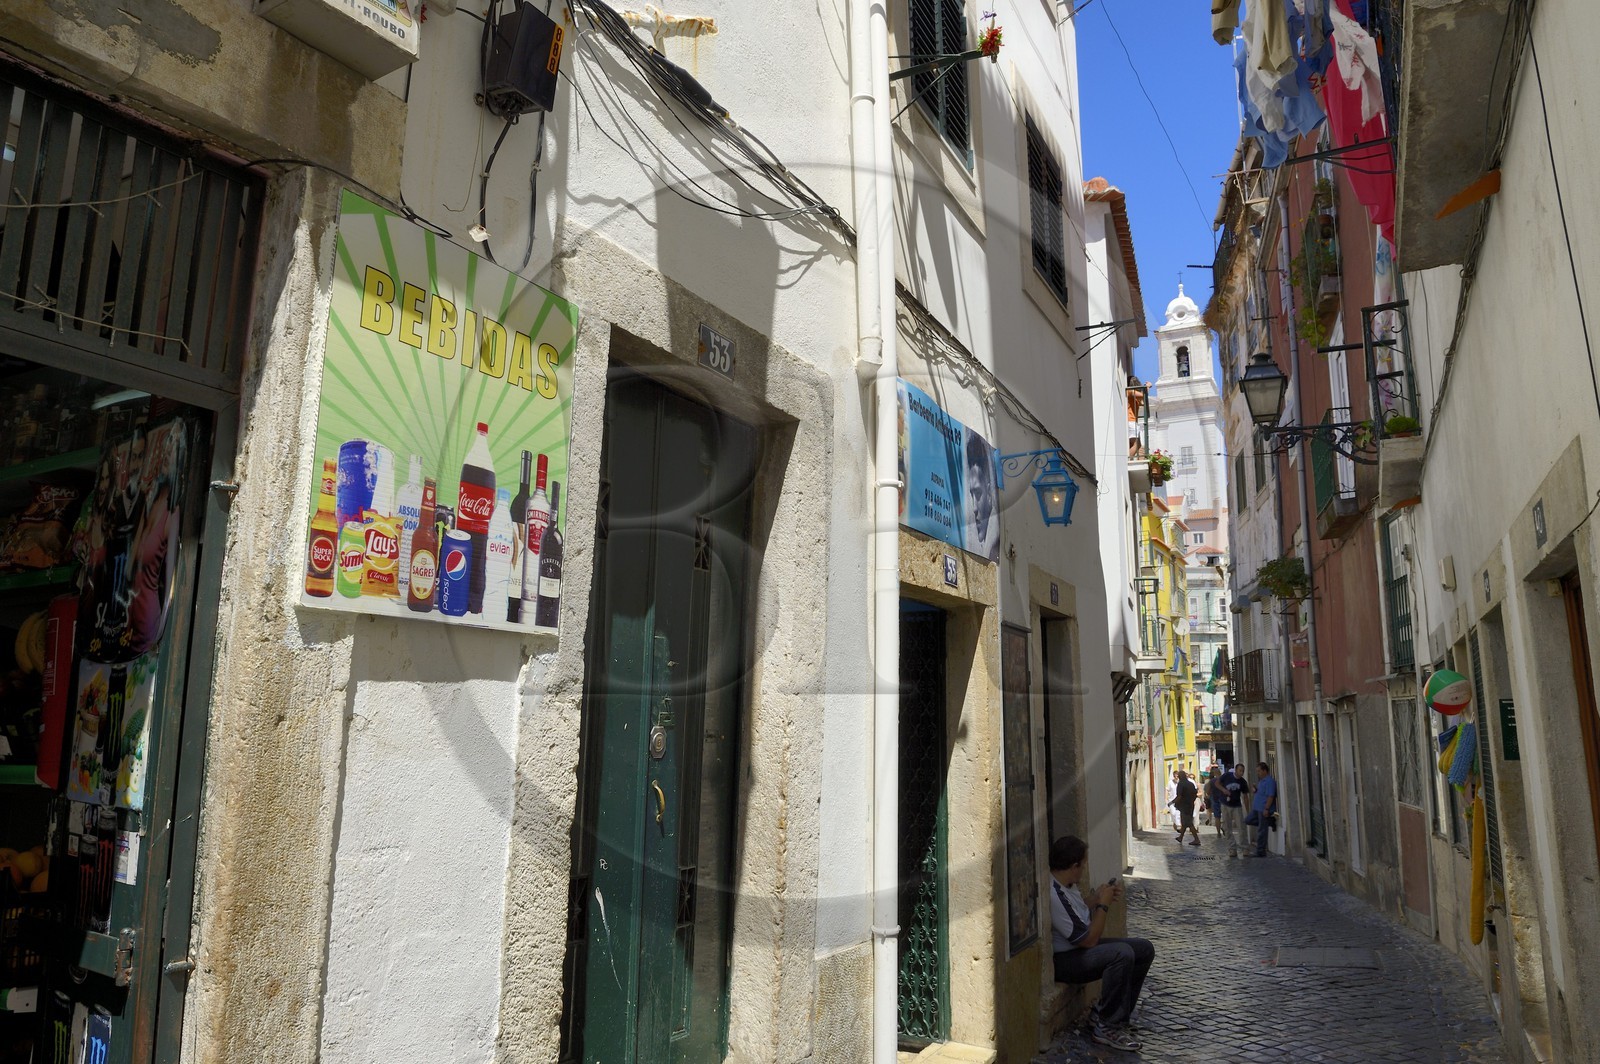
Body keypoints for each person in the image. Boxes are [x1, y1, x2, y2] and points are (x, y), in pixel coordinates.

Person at [1048, 835, 1155, 1053]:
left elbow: (1077, 914)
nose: (1084, 869)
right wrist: (1103, 907)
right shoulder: (1054, 893)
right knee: (1121, 954)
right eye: (1083, 865)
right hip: (1066, 960)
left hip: (1078, 950)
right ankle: (1108, 1027)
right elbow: (1089, 940)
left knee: (1143, 949)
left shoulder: (1068, 884)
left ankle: (1107, 1013)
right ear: (1074, 865)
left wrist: (1096, 898)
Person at [1218, 762, 1251, 858]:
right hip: (1225, 804)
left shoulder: (1243, 782)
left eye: (1243, 771)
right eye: (1240, 770)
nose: (1241, 773)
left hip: (1237, 806)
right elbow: (1217, 783)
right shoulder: (1227, 776)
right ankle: (1232, 849)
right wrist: (1223, 790)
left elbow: (1245, 797)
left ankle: (1245, 848)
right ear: (1236, 770)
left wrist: (1247, 810)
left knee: (1241, 827)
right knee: (1227, 828)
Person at [1250, 761, 1278, 857]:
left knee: (1262, 830)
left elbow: (1270, 796)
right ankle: (1270, 821)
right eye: (1257, 771)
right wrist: (1256, 790)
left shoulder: (1270, 781)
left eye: (1259, 771)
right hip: (1258, 808)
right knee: (1253, 824)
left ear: (1265, 771)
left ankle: (1260, 851)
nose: (1257, 773)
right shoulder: (1261, 781)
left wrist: (1266, 808)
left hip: (1264, 809)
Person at [1169, 769, 1200, 846]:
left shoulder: (1181, 784)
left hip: (1184, 806)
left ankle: (1197, 839)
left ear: (1180, 777)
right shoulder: (1191, 784)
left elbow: (1179, 796)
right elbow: (1195, 794)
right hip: (1190, 805)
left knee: (1189, 823)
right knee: (1184, 822)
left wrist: (1172, 802)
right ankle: (1180, 837)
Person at [1204, 766, 1227, 837]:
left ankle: (1218, 833)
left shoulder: (1212, 781)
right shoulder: (1224, 780)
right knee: (1226, 816)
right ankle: (1224, 827)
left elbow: (1207, 791)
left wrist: (1211, 794)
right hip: (1224, 799)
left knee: (1217, 817)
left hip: (1215, 799)